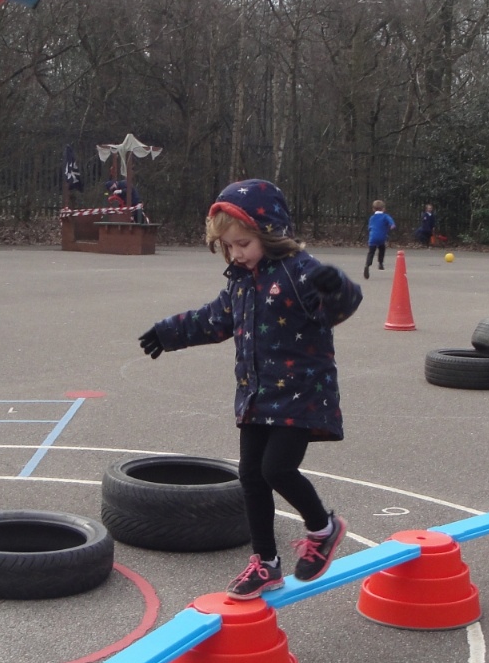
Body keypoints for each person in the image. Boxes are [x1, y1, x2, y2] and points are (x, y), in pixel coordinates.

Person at [138, 179, 363, 598]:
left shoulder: (300, 270)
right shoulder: (241, 279)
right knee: (251, 476)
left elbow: (335, 309)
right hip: (256, 395)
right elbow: (215, 318)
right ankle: (266, 563)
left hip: (300, 393)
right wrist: (169, 332)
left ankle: (324, 528)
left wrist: (337, 288)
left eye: (243, 243)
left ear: (270, 233)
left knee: (276, 469)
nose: (236, 253)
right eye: (228, 246)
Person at [364, 199, 395, 279]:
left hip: (372, 237)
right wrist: (391, 225)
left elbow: (369, 227)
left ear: (373, 209)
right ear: (383, 209)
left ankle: (367, 265)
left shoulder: (372, 218)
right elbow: (391, 222)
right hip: (381, 237)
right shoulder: (385, 216)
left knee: (371, 252)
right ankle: (380, 263)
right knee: (382, 249)